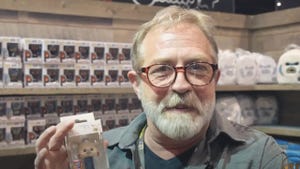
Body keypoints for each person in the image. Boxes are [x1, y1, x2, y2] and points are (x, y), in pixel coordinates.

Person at [34, 5, 287, 169]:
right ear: (136, 84)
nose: (180, 85)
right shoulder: (97, 156)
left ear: (216, 79)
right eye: (162, 70)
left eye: (197, 68)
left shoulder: (261, 156)